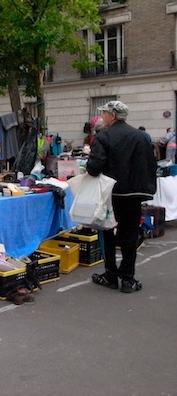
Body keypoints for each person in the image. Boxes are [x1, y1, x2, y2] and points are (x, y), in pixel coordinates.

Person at [87, 101, 157, 293]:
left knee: (107, 231)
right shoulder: (141, 136)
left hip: (112, 193)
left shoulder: (104, 136)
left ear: (113, 115)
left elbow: (94, 167)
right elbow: (151, 164)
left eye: (104, 114)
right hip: (134, 193)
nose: (102, 117)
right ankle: (128, 278)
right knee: (129, 234)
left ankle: (110, 275)